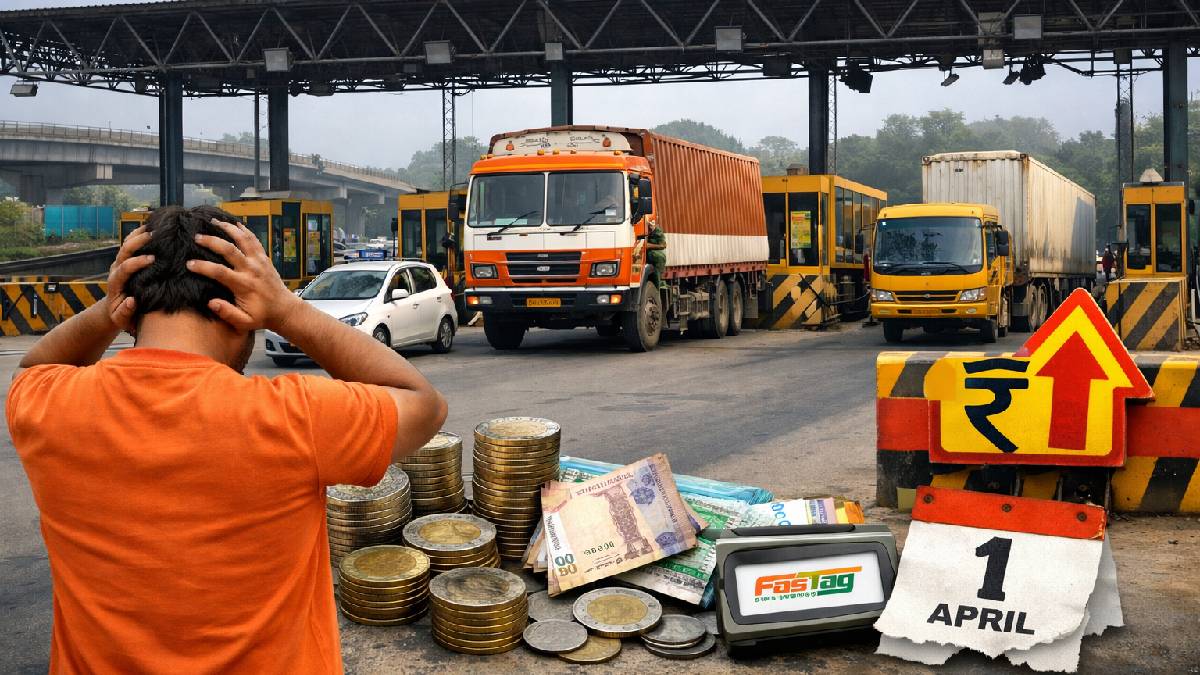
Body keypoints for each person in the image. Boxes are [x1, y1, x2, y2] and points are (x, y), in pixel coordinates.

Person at [6, 205, 447, 673]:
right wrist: (287, 310)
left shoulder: (47, 405)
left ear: (129, 309)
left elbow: (33, 367)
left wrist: (105, 313)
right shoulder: (292, 416)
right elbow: (425, 405)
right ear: (242, 306)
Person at [645, 219, 668, 291]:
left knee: (657, 257)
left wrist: (648, 245)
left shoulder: (658, 232)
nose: (650, 228)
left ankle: (657, 288)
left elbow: (663, 245)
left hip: (655, 257)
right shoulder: (645, 230)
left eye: (651, 226)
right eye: (649, 226)